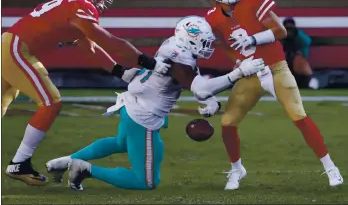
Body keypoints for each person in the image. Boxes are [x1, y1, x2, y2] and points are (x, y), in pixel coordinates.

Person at [45, 16, 265, 191]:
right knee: (146, 181)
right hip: (143, 117)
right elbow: (198, 87)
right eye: (203, 42)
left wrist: (210, 98)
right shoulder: (180, 57)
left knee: (121, 143)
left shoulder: (175, 46)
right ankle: (84, 169)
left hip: (133, 106)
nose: (207, 47)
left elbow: (190, 80)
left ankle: (65, 161)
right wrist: (238, 73)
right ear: (189, 38)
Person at [2, 0, 170, 186]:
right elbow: (108, 41)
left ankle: (19, 163)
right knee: (51, 102)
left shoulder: (73, 2)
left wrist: (119, 71)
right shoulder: (80, 5)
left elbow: (89, 47)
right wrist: (146, 60)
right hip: (16, 49)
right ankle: (19, 163)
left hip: (12, 47)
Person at [205, 0, 343, 190]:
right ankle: (237, 169)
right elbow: (226, 45)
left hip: (276, 68)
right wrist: (239, 62)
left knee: (299, 116)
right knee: (228, 123)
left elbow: (281, 30)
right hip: (249, 75)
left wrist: (252, 40)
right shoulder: (212, 18)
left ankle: (330, 167)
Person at [282, 18, 318, 89]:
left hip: (300, 73)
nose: (289, 32)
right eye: (287, 29)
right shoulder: (280, 37)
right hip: (283, 70)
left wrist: (296, 33)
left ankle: (308, 82)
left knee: (298, 58)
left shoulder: (300, 38)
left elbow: (307, 41)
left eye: (290, 29)